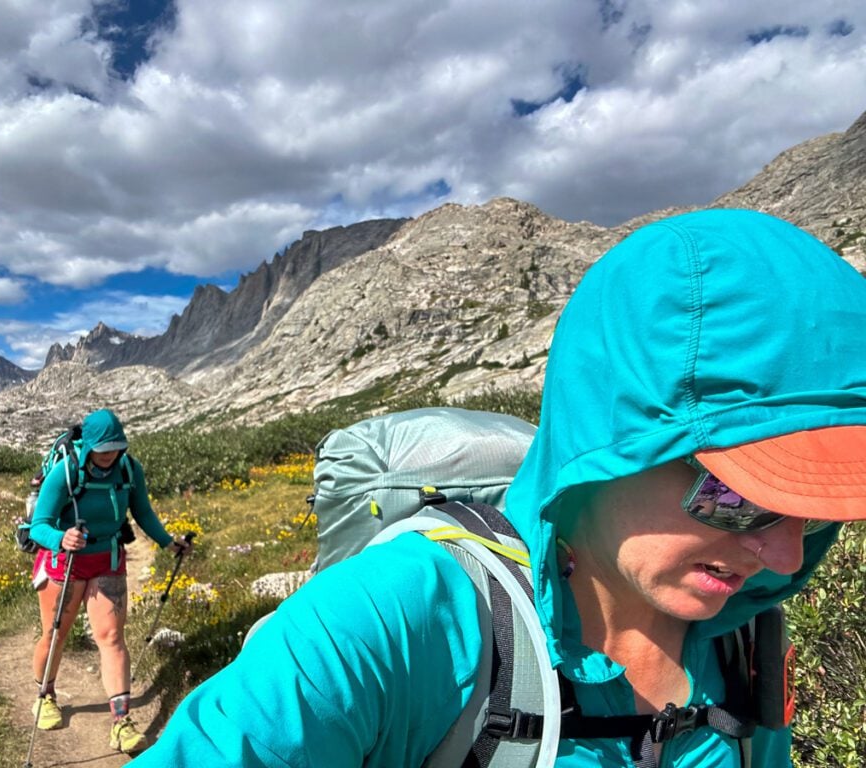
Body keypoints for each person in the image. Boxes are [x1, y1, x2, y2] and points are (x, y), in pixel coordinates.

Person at [131, 209, 866, 767]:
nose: (783, 558)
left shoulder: (745, 639)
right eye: (740, 495)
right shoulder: (389, 621)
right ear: (609, 444)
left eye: (815, 512)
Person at [28, 407, 192, 754]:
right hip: (64, 562)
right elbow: (38, 525)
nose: (109, 455)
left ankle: (121, 722)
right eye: (103, 449)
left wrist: (167, 542)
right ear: (88, 446)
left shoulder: (129, 470)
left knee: (113, 637)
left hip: (109, 558)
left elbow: (142, 511)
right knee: (56, 633)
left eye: (116, 447)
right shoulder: (65, 472)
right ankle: (45, 696)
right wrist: (61, 538)